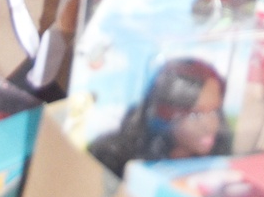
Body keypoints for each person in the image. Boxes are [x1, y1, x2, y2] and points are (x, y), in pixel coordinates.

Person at [89, 58, 231, 175]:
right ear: (166, 115)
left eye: (214, 111)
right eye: (195, 114)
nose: (210, 125)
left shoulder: (219, 162)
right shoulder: (116, 159)